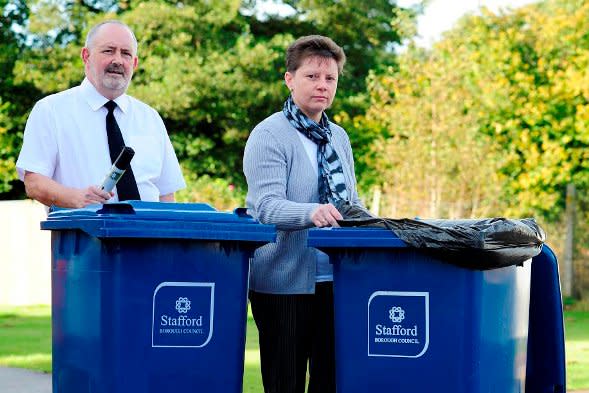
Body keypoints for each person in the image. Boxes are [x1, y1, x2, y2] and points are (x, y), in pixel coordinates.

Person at [243, 35, 365, 393]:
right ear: (290, 79)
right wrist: (313, 212)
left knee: (332, 382)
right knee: (286, 383)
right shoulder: (268, 135)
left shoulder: (338, 137)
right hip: (283, 282)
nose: (322, 86)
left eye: (330, 79)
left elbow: (350, 202)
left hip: (337, 280)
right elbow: (266, 206)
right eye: (312, 76)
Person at [16, 20, 185, 208]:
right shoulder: (51, 110)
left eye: (126, 53)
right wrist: (75, 198)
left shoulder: (150, 118)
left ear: (135, 63)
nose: (118, 60)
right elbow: (34, 183)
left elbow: (166, 194)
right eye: (108, 51)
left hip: (148, 235)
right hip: (83, 235)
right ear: (86, 56)